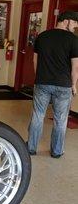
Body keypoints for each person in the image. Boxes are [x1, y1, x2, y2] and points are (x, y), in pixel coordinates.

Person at [27, 11, 78, 158]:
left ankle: (31, 147)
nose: (75, 28)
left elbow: (35, 61)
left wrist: (39, 78)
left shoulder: (42, 36)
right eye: (74, 24)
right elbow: (75, 67)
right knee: (60, 120)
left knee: (37, 116)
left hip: (42, 82)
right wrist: (73, 85)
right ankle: (56, 151)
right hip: (63, 85)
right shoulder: (73, 40)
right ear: (67, 21)